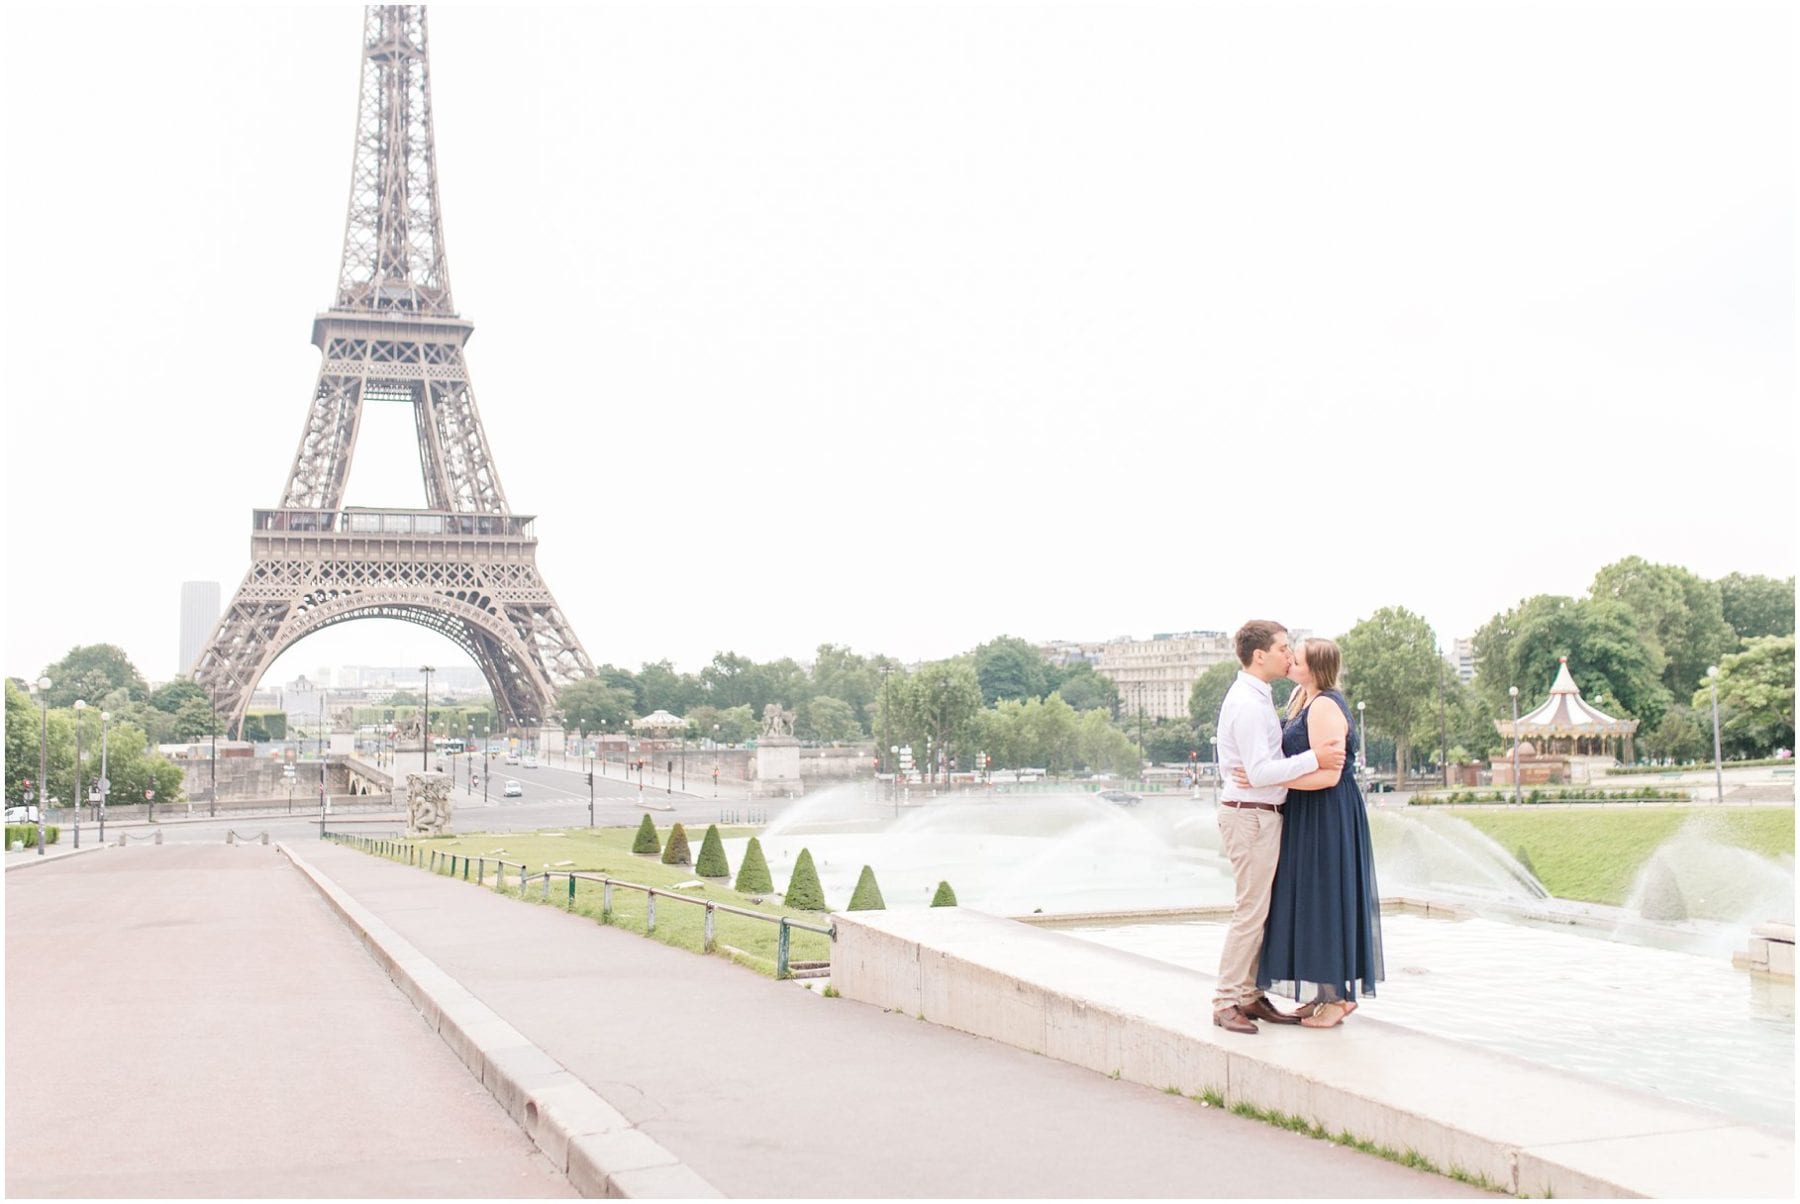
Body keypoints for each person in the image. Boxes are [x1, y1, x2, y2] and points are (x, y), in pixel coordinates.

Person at [1238, 637, 1385, 1029]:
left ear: (1314, 668)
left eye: (1296, 658)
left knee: (1326, 898)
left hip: (1326, 812)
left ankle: (1338, 998)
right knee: (1310, 898)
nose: (1288, 660)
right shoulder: (1302, 699)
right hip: (1307, 812)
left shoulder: (1323, 705)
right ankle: (1322, 992)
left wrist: (1265, 784)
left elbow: (1329, 774)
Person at [1211, 620, 1346, 1035]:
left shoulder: (1259, 696)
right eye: (1284, 648)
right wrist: (1316, 758)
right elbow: (1261, 770)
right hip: (1250, 815)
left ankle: (1249, 995)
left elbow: (1262, 770)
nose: (1289, 656)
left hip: (1258, 813)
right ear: (1260, 655)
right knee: (1250, 912)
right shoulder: (1249, 705)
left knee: (1259, 912)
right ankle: (1226, 999)